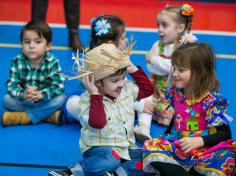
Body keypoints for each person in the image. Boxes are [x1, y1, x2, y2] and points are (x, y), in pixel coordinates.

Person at [49, 43, 155, 176]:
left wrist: (132, 69)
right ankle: (71, 173)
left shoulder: (126, 88)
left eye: (123, 78)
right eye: (115, 80)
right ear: (97, 82)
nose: (121, 84)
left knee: (151, 158)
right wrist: (95, 94)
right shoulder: (87, 100)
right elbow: (98, 123)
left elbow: (148, 90)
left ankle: (115, 174)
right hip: (100, 150)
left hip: (126, 149)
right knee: (111, 159)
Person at [142, 43, 236, 176]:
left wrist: (199, 141)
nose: (174, 74)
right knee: (151, 147)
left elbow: (225, 133)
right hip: (181, 146)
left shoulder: (210, 100)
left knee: (226, 161)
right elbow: (177, 119)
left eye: (181, 70)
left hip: (206, 149)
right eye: (173, 68)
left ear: (200, 73)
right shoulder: (176, 93)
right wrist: (166, 138)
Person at [134, 4, 197, 142]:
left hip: (177, 90)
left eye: (164, 25)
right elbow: (152, 69)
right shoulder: (158, 44)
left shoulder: (185, 47)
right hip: (158, 84)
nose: (159, 30)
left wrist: (154, 59)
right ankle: (143, 127)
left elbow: (174, 69)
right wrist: (160, 65)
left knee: (185, 114)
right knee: (143, 93)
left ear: (180, 28)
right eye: (158, 25)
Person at [2, 20, 66, 126]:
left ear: (48, 46)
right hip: (25, 100)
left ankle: (25, 117)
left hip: (44, 99)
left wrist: (42, 94)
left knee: (61, 99)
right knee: (6, 100)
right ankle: (48, 116)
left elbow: (58, 85)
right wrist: (23, 94)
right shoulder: (17, 61)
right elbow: (11, 85)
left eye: (37, 41)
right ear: (21, 45)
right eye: (27, 42)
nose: (31, 46)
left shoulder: (52, 61)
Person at [64, 15, 127, 121]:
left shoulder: (121, 56)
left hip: (113, 97)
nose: (125, 41)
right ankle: (101, 121)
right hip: (92, 98)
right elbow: (94, 89)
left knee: (143, 98)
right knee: (72, 104)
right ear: (110, 43)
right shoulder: (92, 59)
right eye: (123, 38)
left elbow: (123, 83)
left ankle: (140, 125)